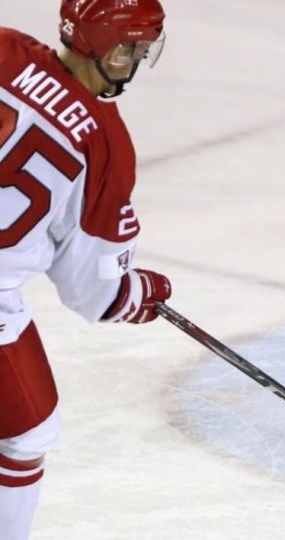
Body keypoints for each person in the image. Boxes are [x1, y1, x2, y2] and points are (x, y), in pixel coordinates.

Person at [0, 1, 172, 537]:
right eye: (137, 51)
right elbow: (92, 293)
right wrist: (138, 292)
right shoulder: (105, 142)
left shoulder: (4, 46)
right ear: (117, 52)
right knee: (28, 431)